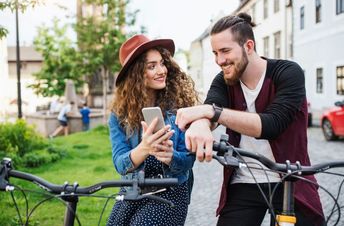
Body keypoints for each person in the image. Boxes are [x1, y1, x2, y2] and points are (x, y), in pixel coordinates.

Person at [175, 13, 325, 226]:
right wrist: (201, 124)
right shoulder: (224, 80)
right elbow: (212, 107)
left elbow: (272, 124)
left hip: (291, 179)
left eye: (225, 51)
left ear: (248, 46)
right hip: (244, 180)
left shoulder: (288, 72)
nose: (220, 60)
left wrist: (211, 113)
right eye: (215, 53)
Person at [107, 34, 199, 226]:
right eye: (151, 66)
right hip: (133, 189)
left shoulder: (179, 108)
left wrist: (171, 156)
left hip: (170, 189)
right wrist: (145, 148)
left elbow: (189, 160)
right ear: (136, 75)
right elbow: (120, 164)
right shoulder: (119, 115)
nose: (161, 70)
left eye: (162, 63)